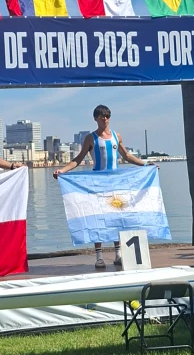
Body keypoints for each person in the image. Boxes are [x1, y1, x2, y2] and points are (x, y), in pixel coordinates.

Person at [53, 104, 155, 269]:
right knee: (97, 218)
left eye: (107, 116)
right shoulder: (90, 138)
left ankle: (118, 254)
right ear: (96, 119)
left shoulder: (116, 136)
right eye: (102, 117)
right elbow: (78, 159)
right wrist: (62, 170)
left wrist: (145, 165)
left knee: (116, 217)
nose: (105, 119)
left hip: (116, 183)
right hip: (97, 184)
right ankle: (99, 256)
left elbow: (127, 156)